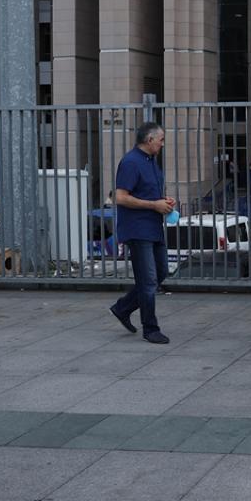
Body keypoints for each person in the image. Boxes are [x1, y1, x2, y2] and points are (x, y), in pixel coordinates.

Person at [109, 121, 175, 344]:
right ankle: (150, 328)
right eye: (161, 140)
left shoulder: (151, 161)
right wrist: (154, 205)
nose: (163, 144)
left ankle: (123, 308)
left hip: (153, 227)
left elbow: (148, 193)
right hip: (137, 229)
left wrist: (164, 202)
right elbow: (120, 197)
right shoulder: (131, 162)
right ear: (149, 140)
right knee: (148, 280)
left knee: (161, 272)